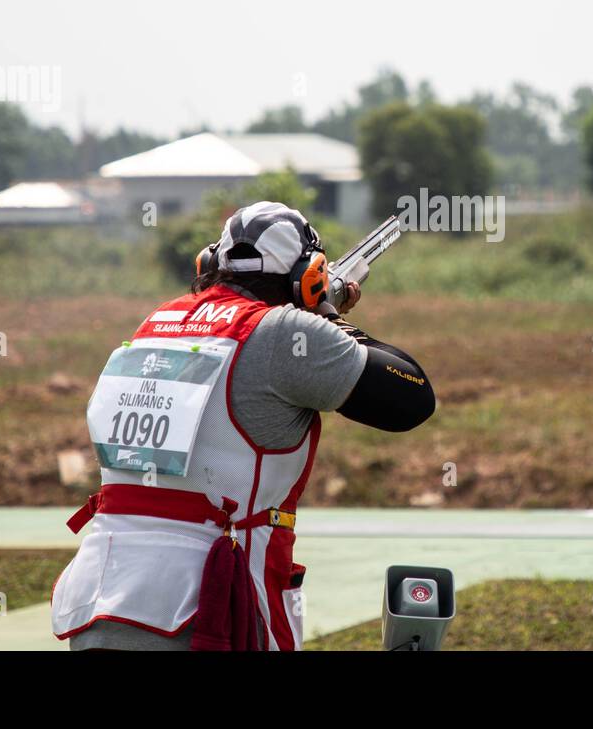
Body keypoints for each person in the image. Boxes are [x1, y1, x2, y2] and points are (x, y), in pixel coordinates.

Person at [51, 201, 435, 650]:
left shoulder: (158, 323)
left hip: (101, 597)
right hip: (207, 609)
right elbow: (411, 397)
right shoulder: (281, 333)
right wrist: (331, 318)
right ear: (308, 278)